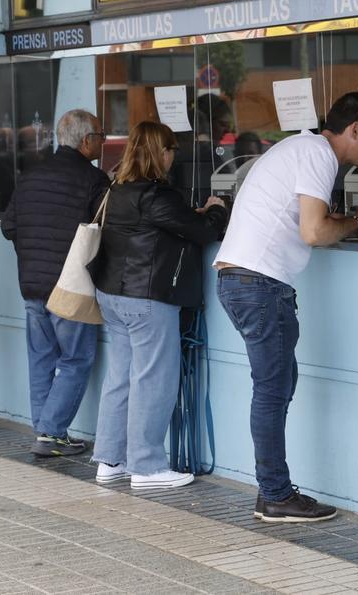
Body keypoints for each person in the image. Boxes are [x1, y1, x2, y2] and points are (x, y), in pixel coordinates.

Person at [213, 92, 358, 522]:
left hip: (246, 280)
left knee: (277, 384)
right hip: (259, 284)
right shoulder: (318, 153)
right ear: (354, 130)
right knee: (272, 391)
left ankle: (272, 490)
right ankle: (275, 494)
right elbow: (314, 230)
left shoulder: (298, 147)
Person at [88, 121, 229, 489]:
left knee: (120, 377)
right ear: (161, 152)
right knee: (153, 380)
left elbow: (168, 227)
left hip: (112, 294)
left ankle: (110, 459)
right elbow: (202, 232)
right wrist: (215, 210)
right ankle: (147, 466)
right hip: (146, 298)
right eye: (171, 151)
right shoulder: (157, 196)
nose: (172, 158)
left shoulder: (114, 190)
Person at [1, 109, 109, 457]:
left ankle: (43, 431)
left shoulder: (31, 175)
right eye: (100, 135)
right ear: (85, 140)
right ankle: (50, 433)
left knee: (41, 359)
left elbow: (9, 227)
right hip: (69, 286)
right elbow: (103, 231)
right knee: (76, 359)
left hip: (32, 284)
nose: (103, 141)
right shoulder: (94, 181)